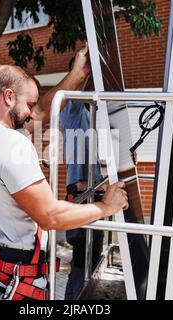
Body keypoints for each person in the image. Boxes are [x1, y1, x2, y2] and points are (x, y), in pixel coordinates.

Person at [0, 46, 128, 300]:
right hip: (15, 287)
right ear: (8, 97)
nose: (32, 112)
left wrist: (77, 75)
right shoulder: (11, 145)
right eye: (29, 104)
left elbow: (40, 114)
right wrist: (106, 207)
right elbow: (51, 215)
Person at [60, 58, 104, 300]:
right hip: (81, 194)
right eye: (86, 75)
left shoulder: (85, 113)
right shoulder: (71, 106)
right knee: (81, 263)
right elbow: (77, 85)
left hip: (91, 192)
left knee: (91, 261)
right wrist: (83, 67)